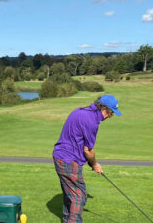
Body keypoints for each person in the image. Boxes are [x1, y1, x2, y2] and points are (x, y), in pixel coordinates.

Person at [52, 94, 121, 223]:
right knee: (79, 196)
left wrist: (91, 164)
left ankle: (67, 220)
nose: (109, 117)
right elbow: (88, 150)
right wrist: (94, 164)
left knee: (70, 195)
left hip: (59, 156)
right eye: (111, 114)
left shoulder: (80, 111)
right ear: (106, 110)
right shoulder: (92, 122)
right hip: (69, 160)